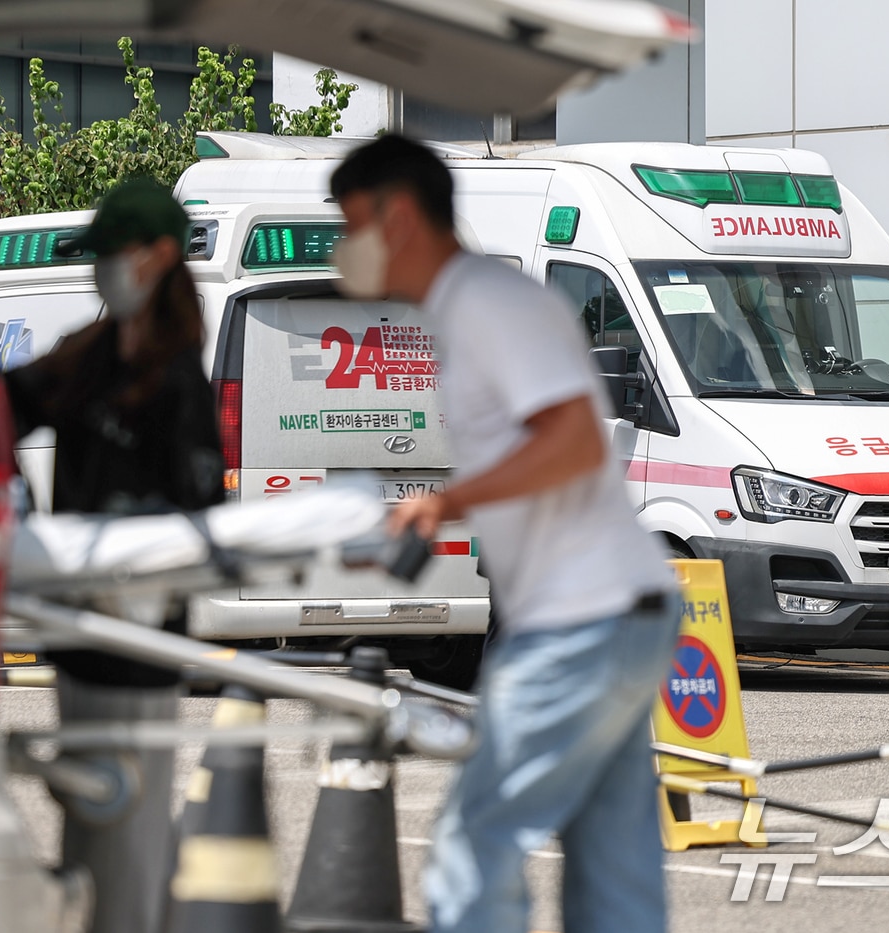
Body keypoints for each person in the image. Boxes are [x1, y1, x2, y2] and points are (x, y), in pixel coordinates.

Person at [329, 136, 681, 933]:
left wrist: (444, 504)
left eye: (352, 224)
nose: (344, 248)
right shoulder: (474, 306)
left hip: (579, 621)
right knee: (613, 868)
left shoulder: (485, 300)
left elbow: (573, 440)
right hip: (622, 612)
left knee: (471, 841)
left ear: (402, 216)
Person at [1, 177, 224, 933]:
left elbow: (200, 513)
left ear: (160, 256)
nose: (102, 273)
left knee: (125, 829)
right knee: (93, 830)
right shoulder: (88, 357)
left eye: (114, 256)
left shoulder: (179, 380)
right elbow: (9, 407)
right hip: (78, 638)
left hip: (138, 642)